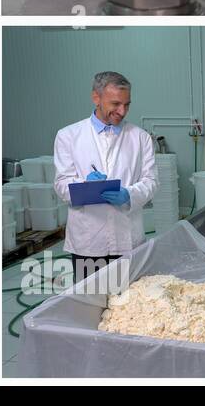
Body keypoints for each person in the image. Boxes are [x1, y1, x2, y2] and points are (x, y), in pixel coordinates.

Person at [53, 71, 157, 283]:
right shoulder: (68, 136)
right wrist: (84, 185)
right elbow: (61, 185)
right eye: (115, 103)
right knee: (90, 301)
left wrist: (128, 194)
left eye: (127, 104)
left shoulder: (141, 138)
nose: (122, 111)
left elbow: (151, 181)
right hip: (88, 241)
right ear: (96, 98)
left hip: (127, 239)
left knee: (128, 303)